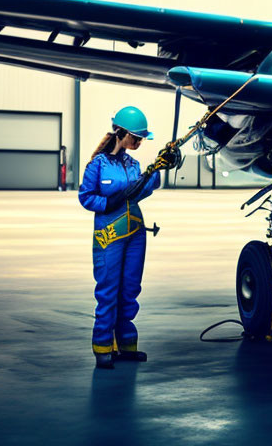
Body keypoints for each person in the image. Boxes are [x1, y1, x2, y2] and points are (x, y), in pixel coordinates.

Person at [78, 106, 178, 369]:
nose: (138, 142)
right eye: (136, 137)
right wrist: (106, 204)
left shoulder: (133, 165)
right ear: (121, 133)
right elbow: (85, 197)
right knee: (108, 291)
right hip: (109, 235)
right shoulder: (97, 165)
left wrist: (160, 168)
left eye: (141, 138)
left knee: (130, 290)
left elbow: (143, 189)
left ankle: (126, 345)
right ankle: (102, 347)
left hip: (135, 234)